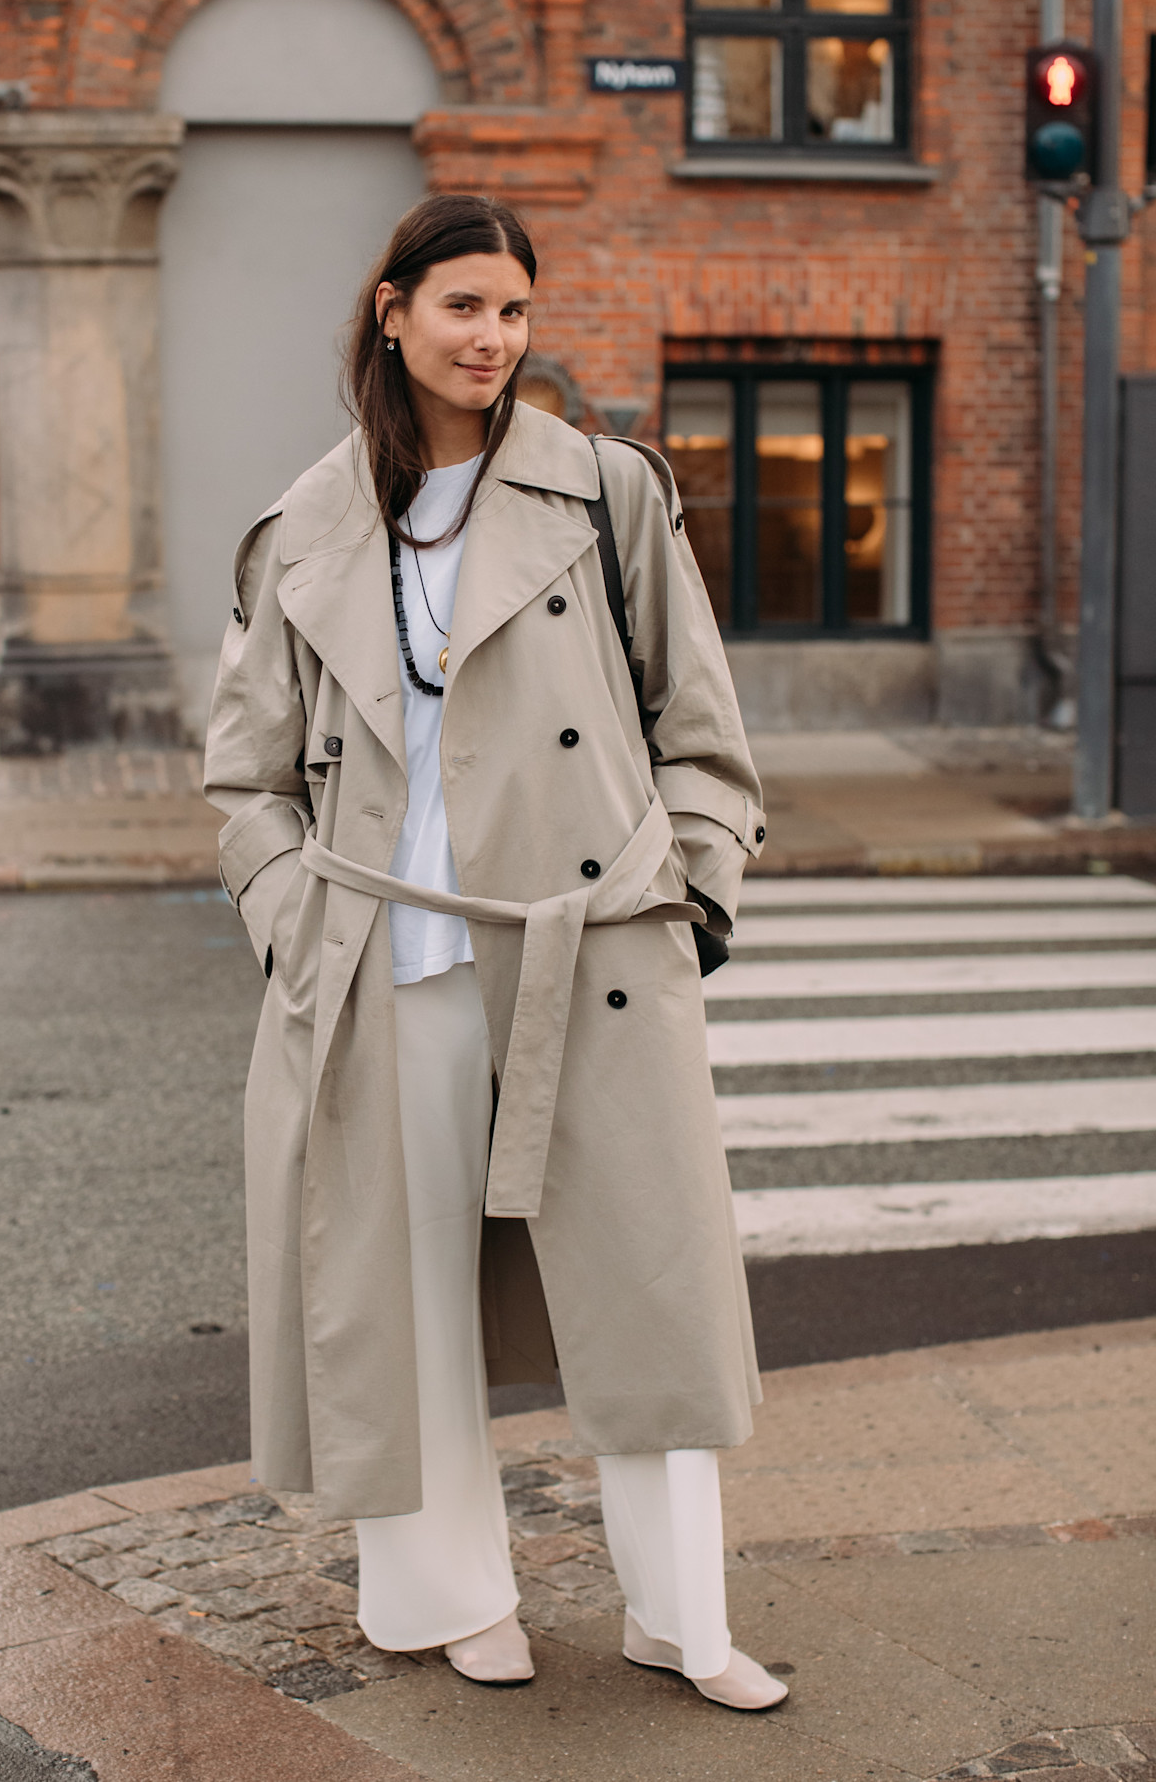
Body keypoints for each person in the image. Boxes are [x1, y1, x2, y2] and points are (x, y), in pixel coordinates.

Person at [203, 194, 786, 1711]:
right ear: (390, 312)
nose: (493, 338)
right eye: (464, 306)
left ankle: (683, 1619)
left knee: (647, 1294)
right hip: (380, 972)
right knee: (401, 1309)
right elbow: (245, 778)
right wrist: (291, 928)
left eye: (515, 311)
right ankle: (451, 1599)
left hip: (587, 951)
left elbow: (702, 732)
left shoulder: (601, 496)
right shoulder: (306, 530)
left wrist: (695, 899)